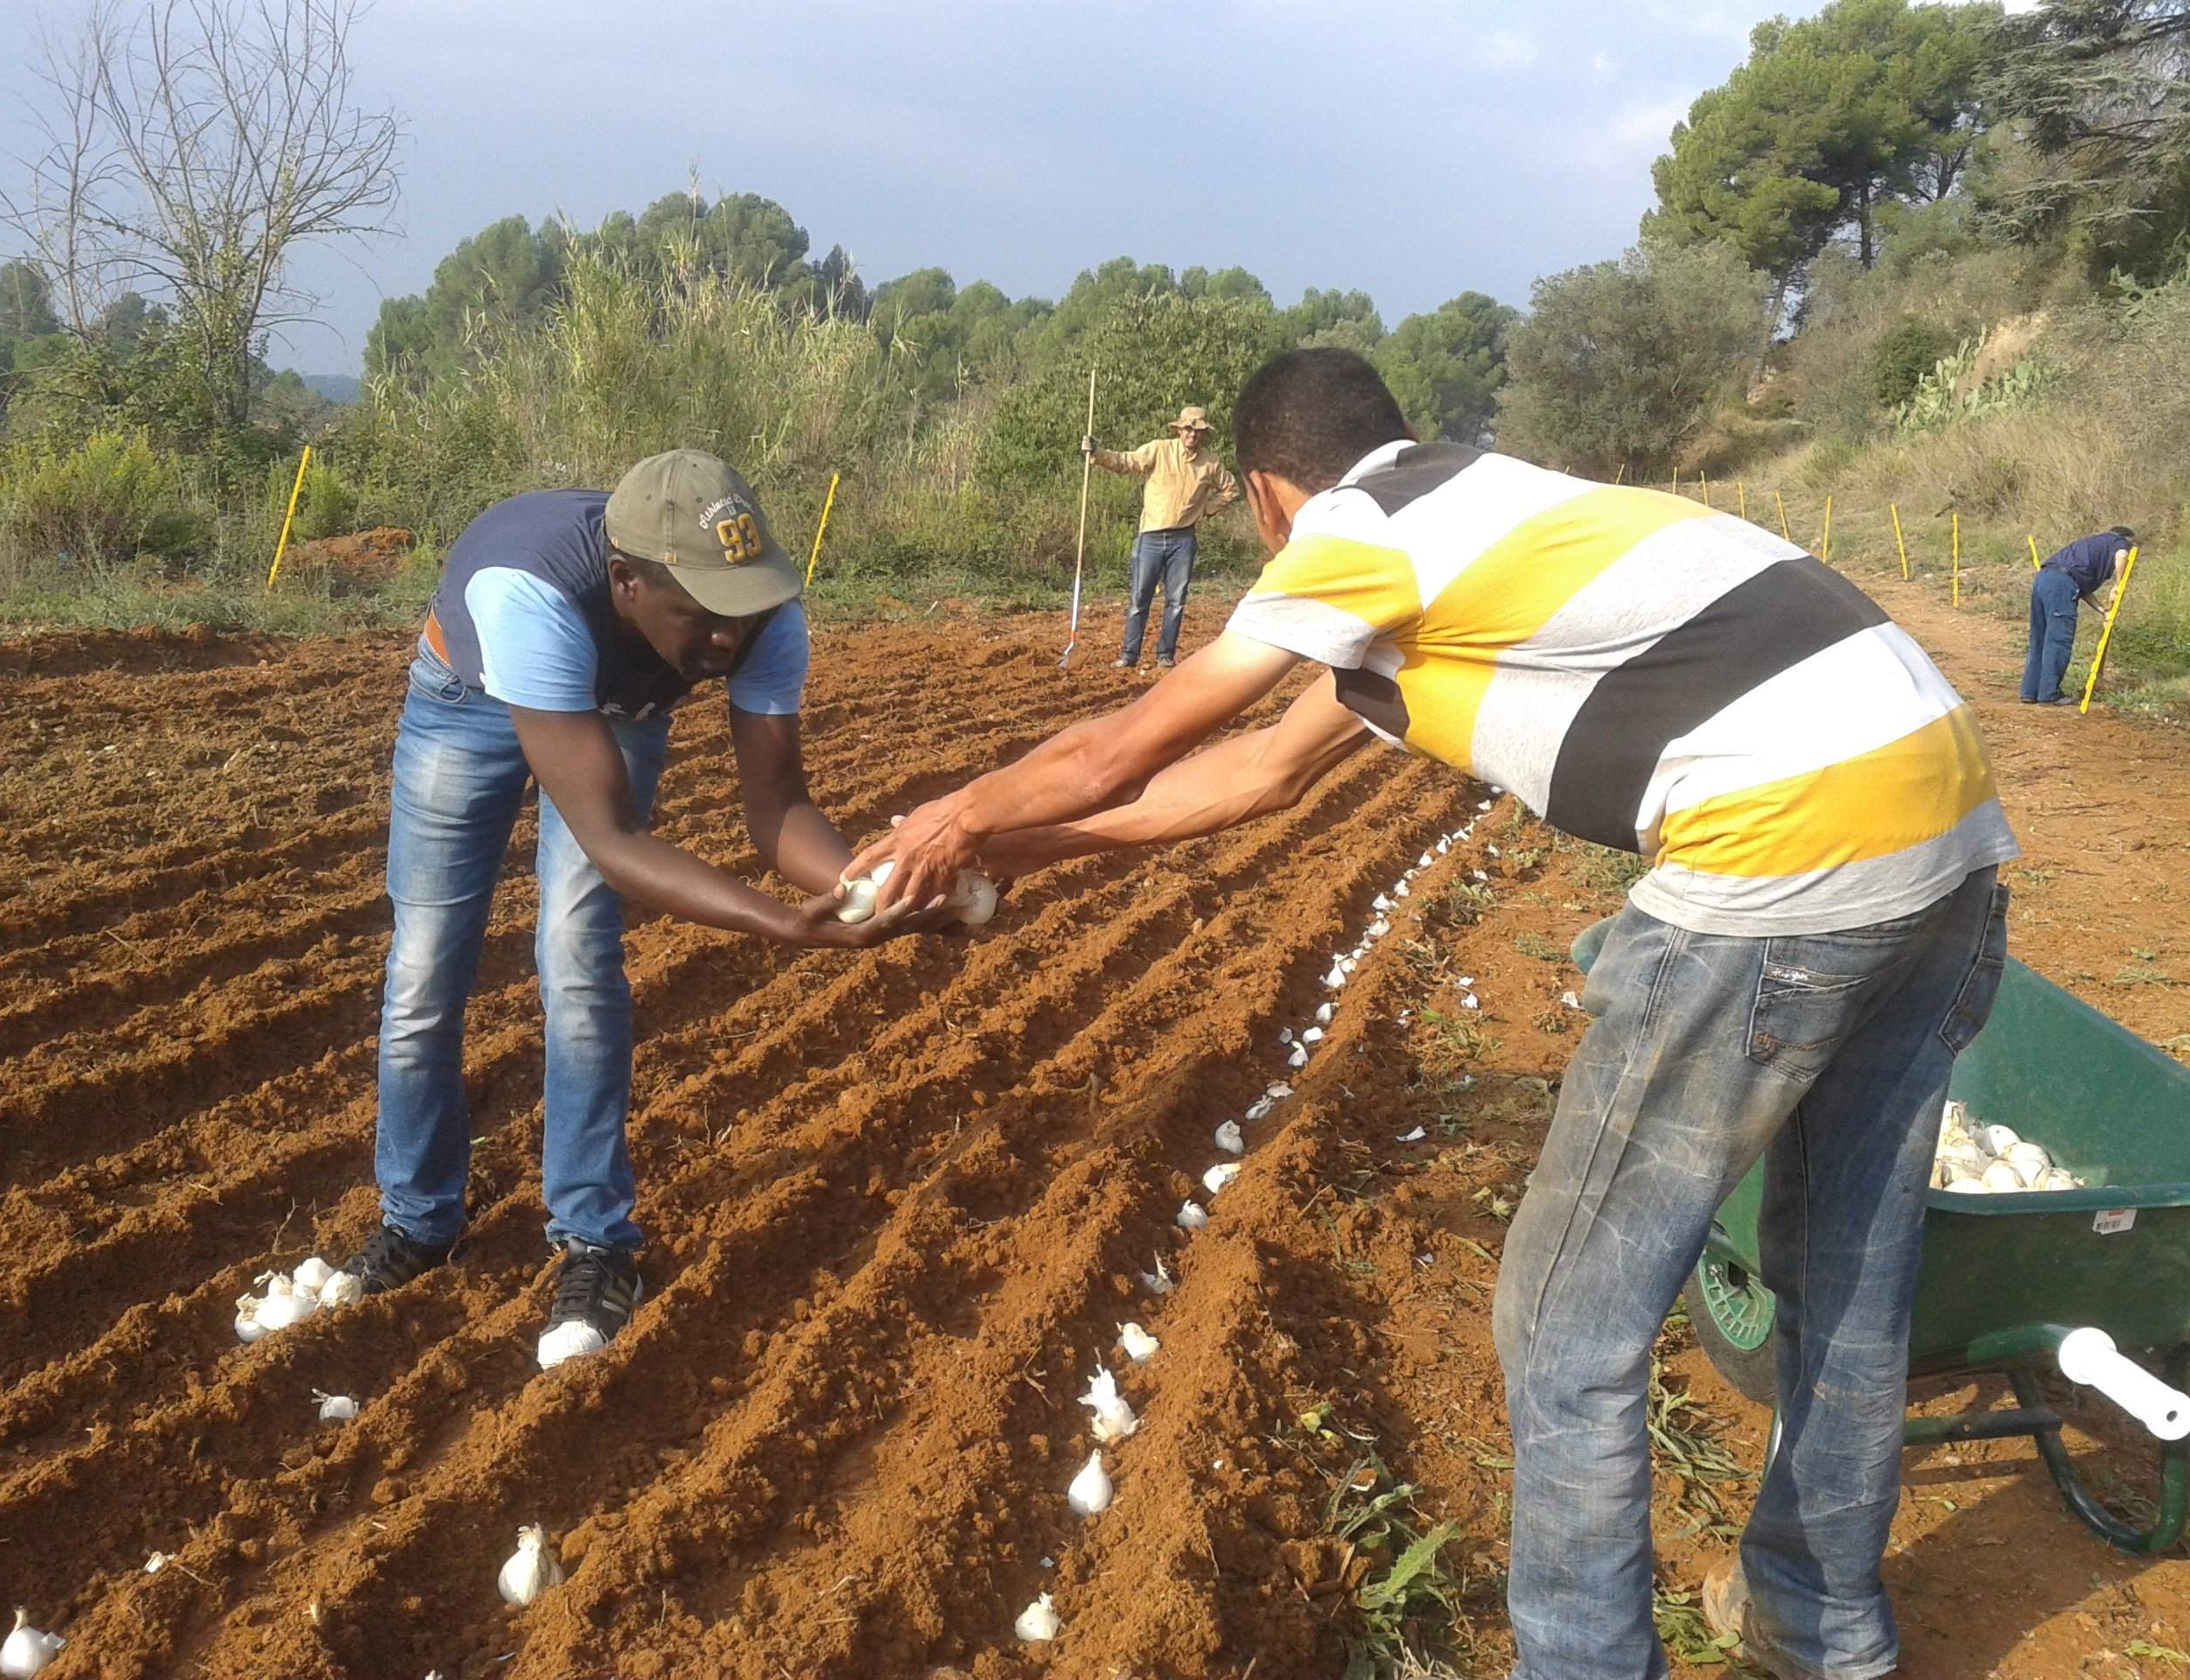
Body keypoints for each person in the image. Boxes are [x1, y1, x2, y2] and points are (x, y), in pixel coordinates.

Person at [855, 349, 2018, 1680]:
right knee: (1851, 1272)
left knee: (1564, 1325)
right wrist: (1015, 858)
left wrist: (943, 825)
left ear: (1263, 497)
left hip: (1783, 858)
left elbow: (1126, 747)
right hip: (1953, 841)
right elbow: (1248, 779)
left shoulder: (1364, 526)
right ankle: (1823, 1630)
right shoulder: (1478, 537)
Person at [345, 451, 922, 1369]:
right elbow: (611, 836)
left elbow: (776, 810)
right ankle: (419, 1221)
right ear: (626, 580)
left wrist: (865, 887)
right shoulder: (527, 591)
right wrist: (777, 923)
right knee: (424, 970)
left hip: (618, 704)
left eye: (742, 611)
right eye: (699, 614)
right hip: (467, 701)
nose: (728, 640)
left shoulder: (758, 613)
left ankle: (595, 1240)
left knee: (578, 957)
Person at [1083, 403, 1240, 668]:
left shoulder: (1211, 463)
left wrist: (1207, 510)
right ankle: (1129, 656)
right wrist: (1097, 452)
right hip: (1151, 538)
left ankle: (1165, 656)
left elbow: (1231, 490)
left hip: (1183, 540)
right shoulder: (1159, 449)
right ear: (1180, 430)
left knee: (1176, 602)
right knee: (1138, 599)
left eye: (1198, 430)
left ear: (1203, 434)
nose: (1193, 434)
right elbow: (1127, 462)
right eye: (1189, 429)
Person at [2022, 525, 2134, 704]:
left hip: (2044, 578)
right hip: (2061, 584)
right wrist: (2118, 585)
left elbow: (2081, 589)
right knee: (2058, 639)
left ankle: (2030, 691)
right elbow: (2122, 555)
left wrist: (2102, 611)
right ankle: (2049, 694)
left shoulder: (2092, 546)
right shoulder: (2120, 542)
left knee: (2040, 638)